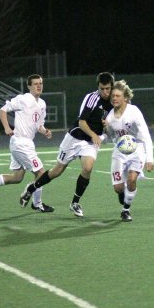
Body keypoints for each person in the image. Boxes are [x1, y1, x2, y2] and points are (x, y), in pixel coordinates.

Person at [18, 71, 115, 217]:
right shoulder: (92, 98)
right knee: (57, 171)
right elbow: (82, 122)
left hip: (89, 142)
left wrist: (107, 129)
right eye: (102, 88)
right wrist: (95, 135)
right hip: (75, 137)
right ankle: (31, 188)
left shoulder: (115, 101)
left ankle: (75, 203)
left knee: (88, 168)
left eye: (108, 88)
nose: (105, 92)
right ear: (98, 87)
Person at [0, 74, 54, 212]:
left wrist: (45, 131)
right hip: (21, 143)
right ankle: (37, 203)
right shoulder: (23, 99)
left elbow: (39, 125)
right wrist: (6, 127)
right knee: (41, 173)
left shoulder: (42, 104)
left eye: (40, 83)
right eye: (35, 84)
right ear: (29, 86)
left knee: (17, 177)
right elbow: (2, 110)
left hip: (24, 143)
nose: (39, 86)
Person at [103, 80, 154, 221]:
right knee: (118, 188)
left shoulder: (134, 112)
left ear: (125, 97)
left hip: (137, 150)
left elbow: (146, 135)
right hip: (119, 153)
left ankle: (125, 210)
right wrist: (103, 134)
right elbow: (109, 138)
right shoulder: (109, 117)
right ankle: (123, 195)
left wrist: (150, 158)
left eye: (118, 96)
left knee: (132, 180)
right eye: (113, 96)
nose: (114, 98)